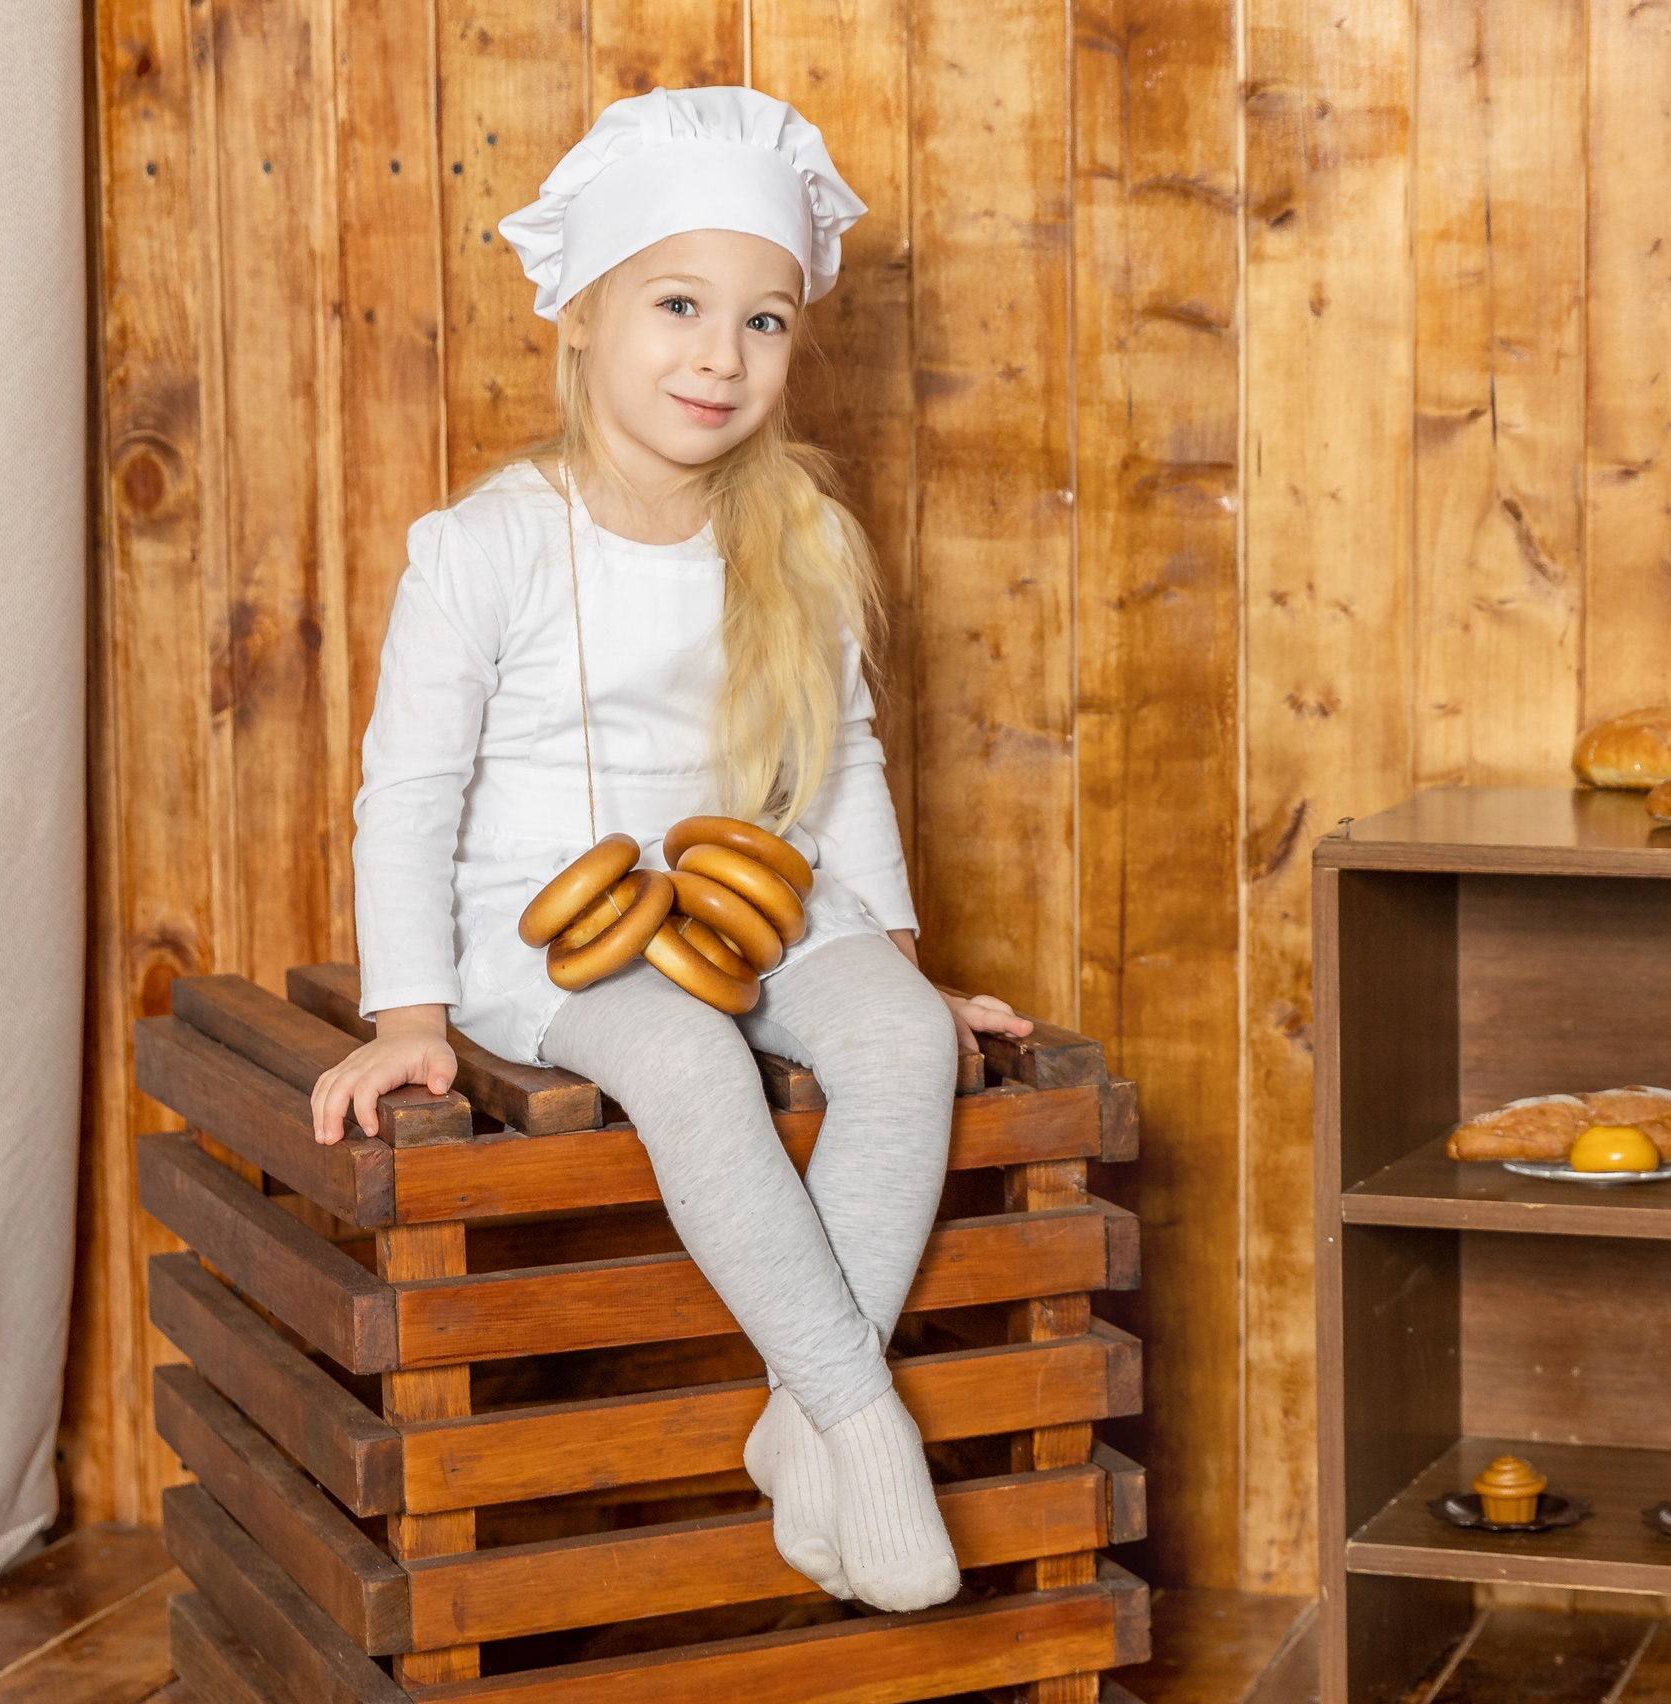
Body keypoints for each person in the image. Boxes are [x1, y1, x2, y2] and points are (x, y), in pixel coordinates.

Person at [305, 86, 1029, 1615]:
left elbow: (841, 778)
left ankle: (795, 1420)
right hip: (545, 934)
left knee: (901, 1048)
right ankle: (861, 1425)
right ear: (579, 312)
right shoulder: (485, 546)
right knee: (689, 1060)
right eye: (680, 305)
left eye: (764, 321)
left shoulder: (798, 539)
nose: (720, 353)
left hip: (750, 899)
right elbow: (409, 793)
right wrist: (411, 1016)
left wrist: (902, 965)